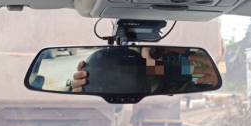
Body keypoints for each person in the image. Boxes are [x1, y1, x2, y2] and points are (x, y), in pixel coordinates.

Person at [69, 47, 218, 94]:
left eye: (176, 57)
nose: (164, 61)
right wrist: (82, 87)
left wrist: (214, 80)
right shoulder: (113, 67)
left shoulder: (186, 84)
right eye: (156, 51)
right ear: (140, 50)